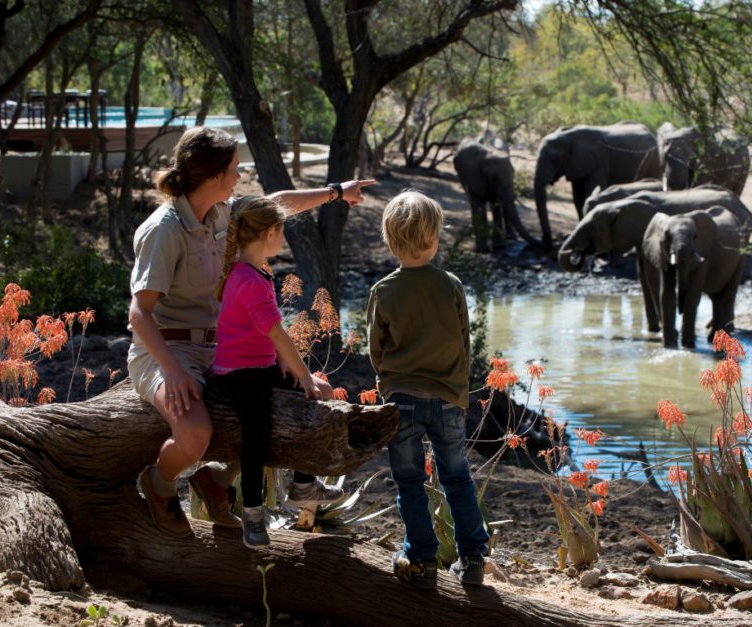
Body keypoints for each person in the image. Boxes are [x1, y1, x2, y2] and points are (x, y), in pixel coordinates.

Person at [129, 125, 373, 538]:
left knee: (276, 409)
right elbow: (139, 313)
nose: (239, 176)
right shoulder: (164, 229)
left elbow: (275, 205)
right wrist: (171, 370)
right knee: (195, 434)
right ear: (213, 176)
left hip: (220, 350)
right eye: (234, 168)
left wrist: (336, 191)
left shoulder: (223, 211)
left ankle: (215, 481)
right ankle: (159, 484)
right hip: (167, 350)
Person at [367, 190, 489, 588]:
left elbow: (376, 350)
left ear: (390, 240)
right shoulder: (450, 284)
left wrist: (388, 383)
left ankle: (420, 558)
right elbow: (463, 341)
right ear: (435, 238)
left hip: (401, 399)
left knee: (409, 481)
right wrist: (459, 389)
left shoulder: (383, 291)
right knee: (457, 477)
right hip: (448, 398)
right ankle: (473, 558)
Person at [211, 196, 336, 548]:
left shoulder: (254, 271)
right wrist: (304, 376)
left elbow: (263, 335)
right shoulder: (249, 279)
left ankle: (303, 483)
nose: (284, 240)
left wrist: (295, 371)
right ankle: (252, 513)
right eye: (282, 232)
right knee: (258, 431)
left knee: (324, 394)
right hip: (237, 374)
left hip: (261, 366)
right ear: (269, 233)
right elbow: (278, 334)